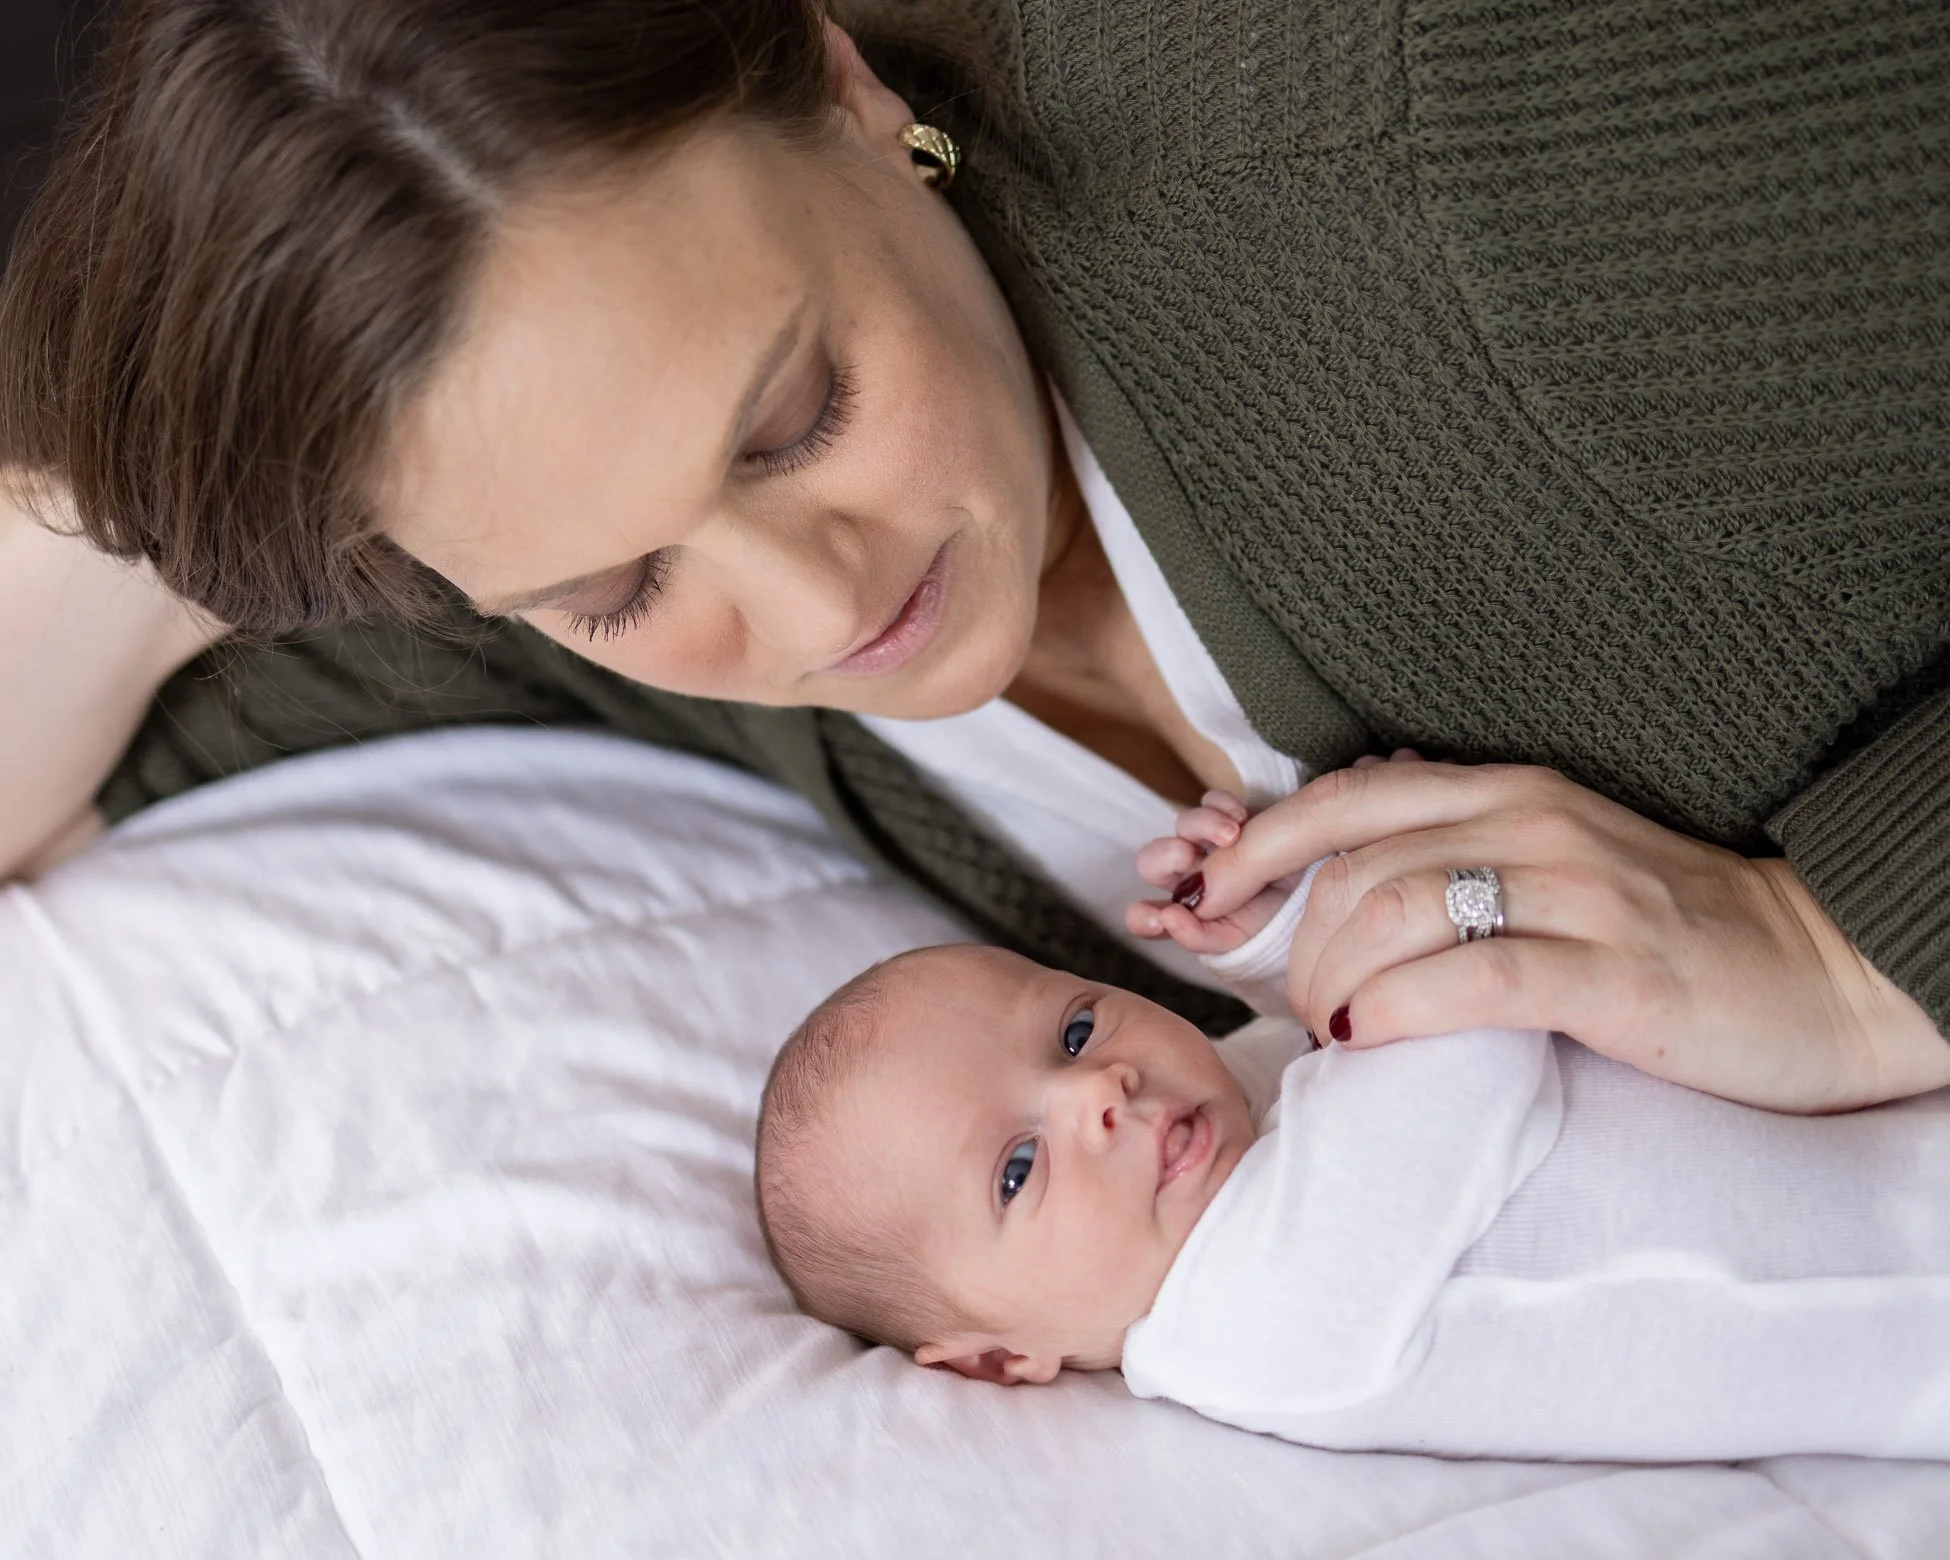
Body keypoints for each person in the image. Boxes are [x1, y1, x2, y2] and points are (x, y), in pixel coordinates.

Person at [0, 0, 1945, 1111]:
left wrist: (1843, 946)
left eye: (796, 417)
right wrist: (232, 456)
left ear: (848, 92)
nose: (823, 605)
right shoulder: (542, 575)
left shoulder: (1460, 138)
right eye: (612, 588)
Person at [750, 791, 1950, 1462]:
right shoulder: (1249, 1324)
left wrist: (1270, 938)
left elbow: (1335, 1035)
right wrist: (1361, 892)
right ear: (1004, 1358)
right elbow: (1459, 1025)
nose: (1095, 1092)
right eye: (1017, 1170)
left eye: (1071, 1030)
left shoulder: (1222, 1142)